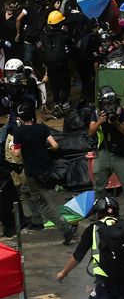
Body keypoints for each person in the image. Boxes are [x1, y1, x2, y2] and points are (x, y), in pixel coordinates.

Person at [57, 197, 124, 299]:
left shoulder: (93, 229)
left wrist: (64, 272)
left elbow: (78, 256)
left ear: (98, 213)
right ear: (117, 211)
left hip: (105, 281)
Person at [12, 102, 77, 244]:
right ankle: (36, 219)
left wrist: (13, 147)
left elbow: (16, 153)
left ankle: (66, 228)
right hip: (46, 169)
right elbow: (55, 145)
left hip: (32, 172)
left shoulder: (19, 132)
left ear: (21, 118)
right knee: (24, 190)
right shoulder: (42, 128)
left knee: (42, 204)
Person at [89, 86, 124, 212]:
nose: (109, 107)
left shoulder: (123, 112)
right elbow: (90, 132)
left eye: (111, 103)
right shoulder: (96, 113)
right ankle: (99, 208)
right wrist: (99, 121)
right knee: (99, 179)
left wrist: (116, 122)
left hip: (120, 152)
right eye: (106, 104)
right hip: (104, 151)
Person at [41, 10, 73, 118]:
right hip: (62, 65)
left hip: (50, 66)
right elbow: (71, 48)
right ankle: (62, 103)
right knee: (65, 85)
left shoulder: (44, 36)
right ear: (60, 23)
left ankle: (56, 103)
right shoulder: (64, 35)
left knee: (55, 86)